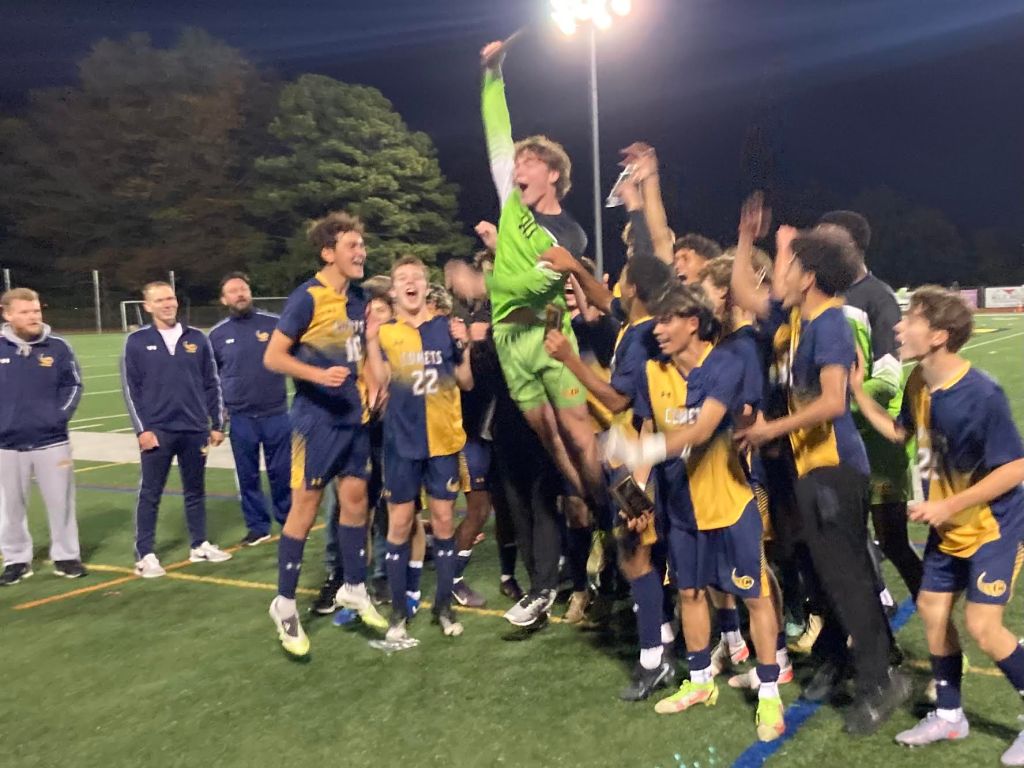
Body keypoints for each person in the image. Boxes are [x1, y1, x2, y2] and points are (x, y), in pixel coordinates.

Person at [727, 216, 908, 734]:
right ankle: (837, 658)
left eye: (789, 265)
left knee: (849, 581)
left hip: (835, 470)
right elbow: (742, 288)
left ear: (808, 276)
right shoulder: (797, 317)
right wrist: (746, 238)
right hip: (808, 471)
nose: (778, 274)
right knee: (820, 577)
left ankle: (880, 680)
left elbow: (832, 403)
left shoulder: (830, 324)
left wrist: (769, 430)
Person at [850, 286, 1024, 764]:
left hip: (992, 525)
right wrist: (855, 394)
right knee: (931, 610)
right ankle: (950, 714)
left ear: (941, 335)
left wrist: (950, 506)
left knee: (983, 627)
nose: (899, 327)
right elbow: (900, 432)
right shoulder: (917, 381)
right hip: (948, 528)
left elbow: (1015, 467)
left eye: (912, 320)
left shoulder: (981, 394)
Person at [606, 282, 785, 742]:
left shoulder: (724, 362)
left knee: (755, 597)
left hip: (729, 505)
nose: (658, 330)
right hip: (683, 511)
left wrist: (641, 446)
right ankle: (701, 680)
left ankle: (768, 691)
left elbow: (703, 429)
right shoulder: (651, 371)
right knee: (689, 595)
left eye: (667, 320)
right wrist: (637, 499)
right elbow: (647, 438)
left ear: (693, 322)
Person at [264, 211, 386, 658]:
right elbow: (274, 358)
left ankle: (354, 586)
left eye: (362, 245)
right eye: (352, 246)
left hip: (354, 419)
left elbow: (361, 353)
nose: (362, 253)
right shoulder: (306, 298)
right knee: (306, 507)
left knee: (355, 502)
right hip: (315, 419)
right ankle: (284, 603)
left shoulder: (359, 300)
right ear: (328, 252)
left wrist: (373, 379)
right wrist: (316, 374)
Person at [365, 255, 474, 641]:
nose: (410, 283)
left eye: (417, 277)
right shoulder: (387, 333)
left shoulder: (446, 327)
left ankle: (444, 607)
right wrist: (370, 340)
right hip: (401, 444)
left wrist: (464, 349)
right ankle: (398, 612)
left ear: (426, 286)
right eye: (403, 278)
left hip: (443, 441)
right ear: (394, 290)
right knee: (398, 525)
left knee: (444, 523)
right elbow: (379, 384)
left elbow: (466, 382)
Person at [819, 210, 922, 602]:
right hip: (837, 442)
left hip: (879, 445)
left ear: (852, 247)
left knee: (893, 541)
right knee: (844, 542)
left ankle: (937, 624)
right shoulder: (823, 295)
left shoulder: (878, 298)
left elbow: (889, 379)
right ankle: (871, 620)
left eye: (827, 242)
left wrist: (836, 399)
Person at [121, 281, 232, 577]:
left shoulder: (197, 338)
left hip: (195, 429)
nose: (168, 304)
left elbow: (212, 382)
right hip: (158, 431)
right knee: (151, 492)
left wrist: (217, 423)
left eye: (170, 298)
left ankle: (199, 545)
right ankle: (145, 554)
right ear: (148, 306)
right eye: (160, 300)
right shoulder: (136, 341)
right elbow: (131, 389)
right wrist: (142, 430)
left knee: (195, 489)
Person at [0, 288, 86, 585]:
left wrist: (57, 417)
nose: (33, 316)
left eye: (36, 310)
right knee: (10, 508)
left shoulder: (58, 346)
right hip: (6, 445)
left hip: (52, 441)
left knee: (61, 502)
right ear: (7, 314)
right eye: (25, 312)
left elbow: (73, 385)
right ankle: (16, 560)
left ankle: (66, 556)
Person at [209, 272, 291, 546]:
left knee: (282, 471)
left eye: (243, 289)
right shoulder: (217, 334)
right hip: (241, 418)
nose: (240, 294)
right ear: (224, 299)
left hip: (276, 413)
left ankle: (289, 520)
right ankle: (258, 526)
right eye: (233, 291)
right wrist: (217, 421)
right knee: (248, 475)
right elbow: (213, 380)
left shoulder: (275, 324)